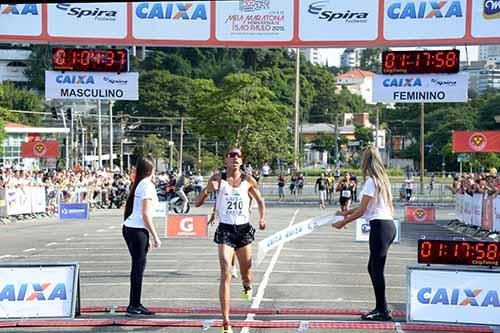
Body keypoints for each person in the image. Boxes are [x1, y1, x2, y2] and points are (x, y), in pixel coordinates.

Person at [195, 148, 266, 333]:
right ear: (226, 160)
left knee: (247, 273)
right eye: (231, 156)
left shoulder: (248, 180)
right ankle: (226, 321)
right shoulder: (217, 179)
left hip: (243, 230)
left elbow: (260, 201)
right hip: (225, 230)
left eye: (238, 156)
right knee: (226, 271)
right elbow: (197, 202)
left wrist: (262, 218)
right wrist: (207, 190)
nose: (235, 158)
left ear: (241, 161)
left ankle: (247, 285)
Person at [332, 146, 395, 321]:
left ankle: (382, 309)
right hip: (387, 225)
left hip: (380, 226)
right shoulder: (382, 180)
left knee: (377, 269)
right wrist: (346, 212)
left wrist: (344, 222)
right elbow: (364, 207)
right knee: (373, 267)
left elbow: (362, 211)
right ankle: (382, 307)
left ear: (366, 162)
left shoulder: (371, 181)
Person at [122, 157, 161, 316]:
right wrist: (155, 236)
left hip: (131, 228)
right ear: (151, 170)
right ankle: (134, 305)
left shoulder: (140, 184)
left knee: (137, 268)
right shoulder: (147, 186)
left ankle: (135, 303)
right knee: (138, 269)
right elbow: (146, 214)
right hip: (137, 229)